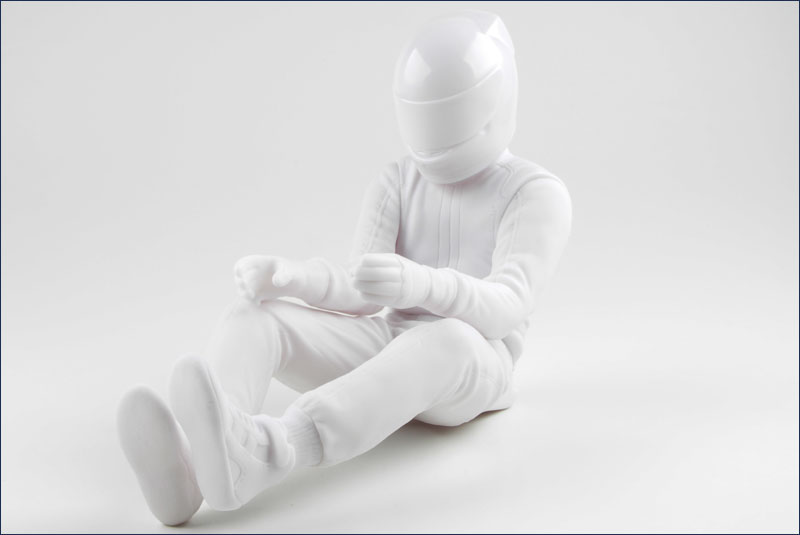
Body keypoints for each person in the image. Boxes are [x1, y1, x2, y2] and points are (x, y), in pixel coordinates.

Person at [117, 10, 572, 525]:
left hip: (475, 364)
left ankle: (269, 451)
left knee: (447, 337)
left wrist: (420, 282)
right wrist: (294, 278)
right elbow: (362, 289)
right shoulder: (398, 180)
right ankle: (195, 468)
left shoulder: (534, 193)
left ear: (491, 110)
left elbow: (507, 307)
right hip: (391, 343)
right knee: (255, 317)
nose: (432, 155)